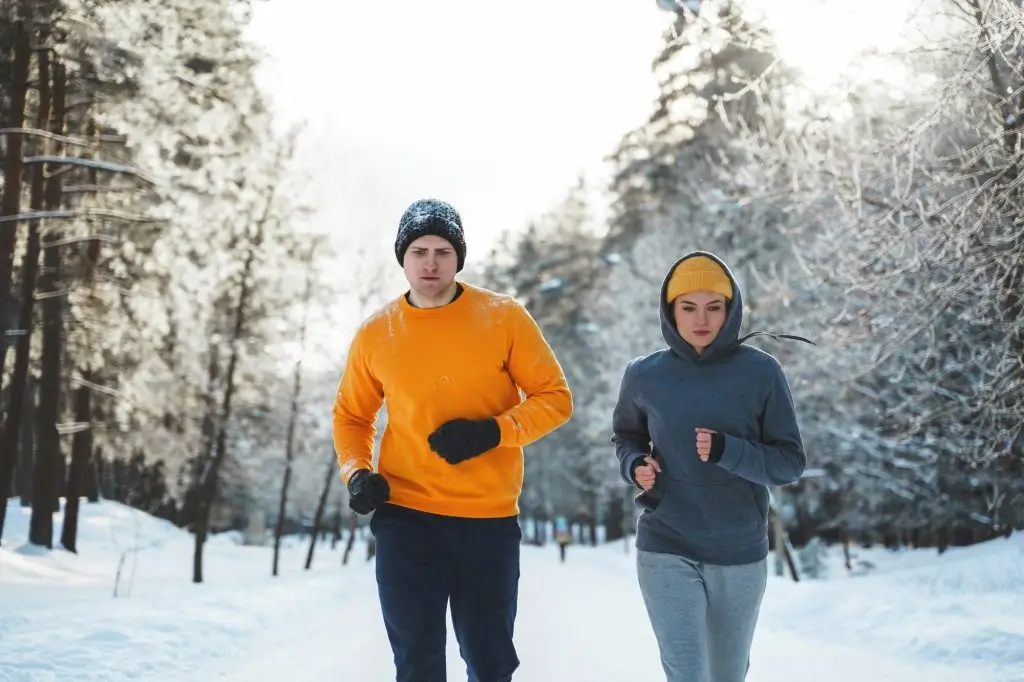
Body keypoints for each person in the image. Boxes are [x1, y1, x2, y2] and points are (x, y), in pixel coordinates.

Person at [333, 198, 573, 682]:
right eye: (419, 250)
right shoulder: (376, 333)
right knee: (417, 664)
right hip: (406, 519)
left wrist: (494, 431)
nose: (430, 262)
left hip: (486, 521)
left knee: (489, 663)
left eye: (442, 251)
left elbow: (555, 398)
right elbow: (351, 416)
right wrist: (358, 473)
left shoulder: (503, 317)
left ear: (458, 257)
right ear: (402, 256)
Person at [611, 251, 809, 682]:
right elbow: (626, 436)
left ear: (731, 309)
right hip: (666, 542)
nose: (701, 319)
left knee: (726, 674)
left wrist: (729, 451)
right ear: (670, 311)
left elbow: (789, 463)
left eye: (713, 307)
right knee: (687, 674)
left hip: (737, 549)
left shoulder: (761, 373)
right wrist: (635, 464)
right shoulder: (644, 375)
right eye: (688, 307)